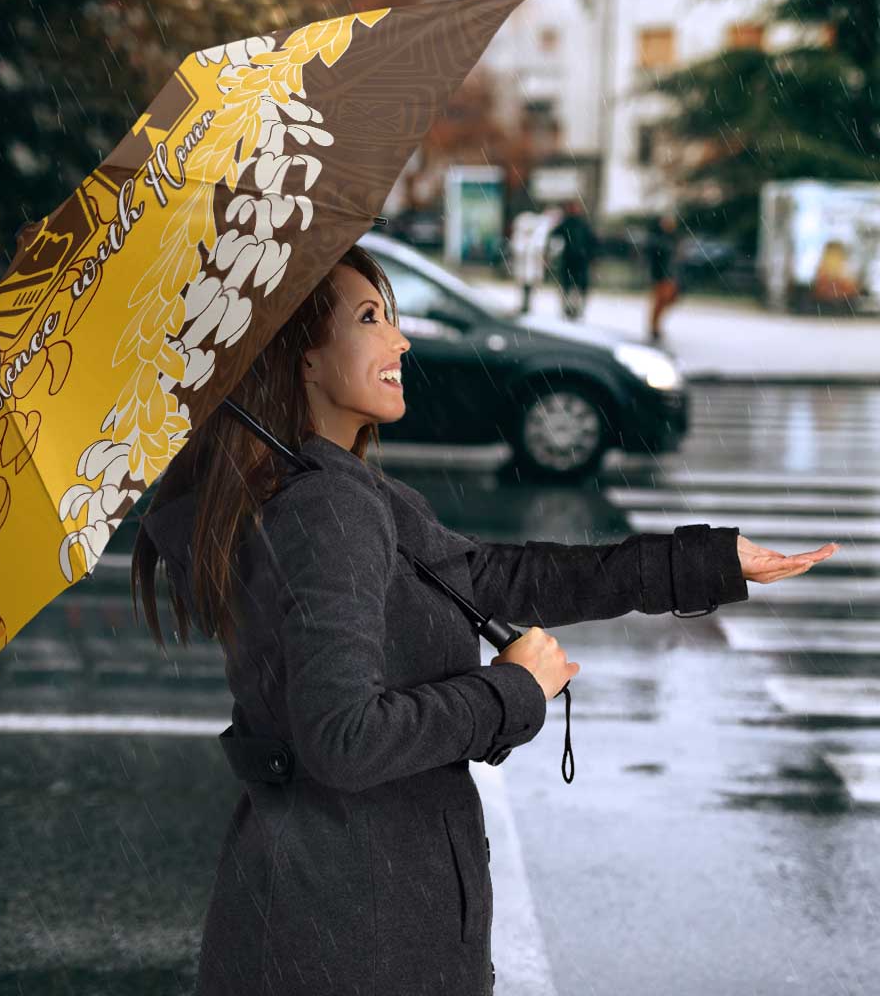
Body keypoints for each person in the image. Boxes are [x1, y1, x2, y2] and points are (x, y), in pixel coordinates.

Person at [132, 243, 834, 996]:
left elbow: (496, 577)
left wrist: (706, 563)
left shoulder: (332, 489)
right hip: (354, 935)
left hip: (335, 915)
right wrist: (511, 691)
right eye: (370, 318)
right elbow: (343, 739)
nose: (400, 340)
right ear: (302, 357)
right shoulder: (325, 508)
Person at [548, 198, 598, 321]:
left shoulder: (581, 224)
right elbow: (554, 236)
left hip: (579, 260)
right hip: (571, 260)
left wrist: (591, 256)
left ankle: (575, 309)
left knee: (576, 287)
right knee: (569, 286)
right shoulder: (568, 223)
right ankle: (569, 309)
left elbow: (592, 242)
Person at [646, 211, 682, 342]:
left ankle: (655, 326)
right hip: (661, 275)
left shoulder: (673, 238)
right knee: (660, 301)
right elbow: (655, 258)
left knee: (668, 300)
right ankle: (654, 327)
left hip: (670, 275)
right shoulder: (658, 239)